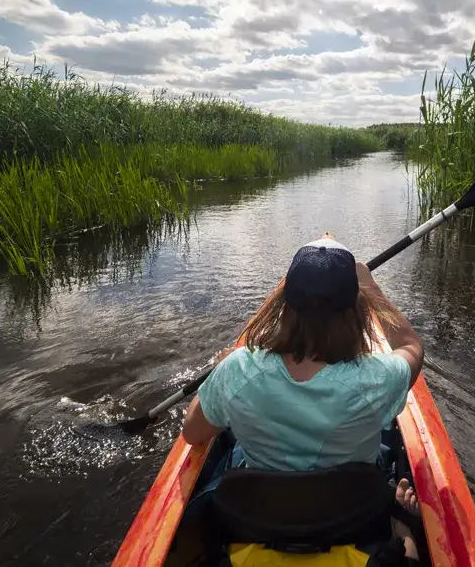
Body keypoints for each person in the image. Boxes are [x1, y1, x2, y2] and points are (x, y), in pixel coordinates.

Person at [181, 232, 425, 548]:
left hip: (261, 521)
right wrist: (370, 286)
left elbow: (192, 433)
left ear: (285, 305)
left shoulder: (238, 370)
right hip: (347, 520)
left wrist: (222, 373)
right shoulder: (378, 378)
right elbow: (410, 346)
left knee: (231, 449)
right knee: (385, 451)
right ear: (357, 309)